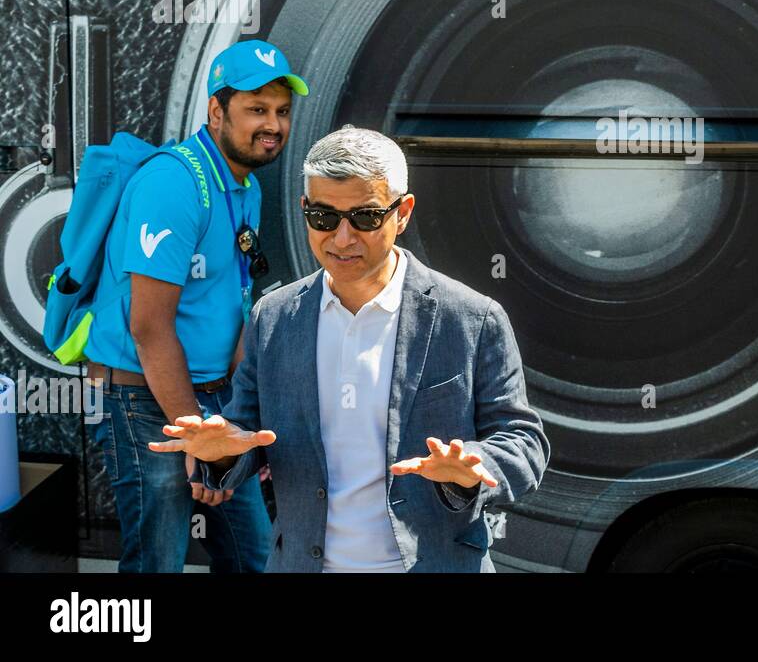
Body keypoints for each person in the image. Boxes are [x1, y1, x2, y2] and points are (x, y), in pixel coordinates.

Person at [149, 125, 550, 572]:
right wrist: (221, 451)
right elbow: (249, 434)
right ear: (304, 211)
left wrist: (472, 465)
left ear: (403, 213)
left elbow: (524, 442)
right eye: (323, 217)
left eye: (365, 217)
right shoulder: (274, 317)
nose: (341, 238)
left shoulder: (472, 318)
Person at [85, 39, 309, 572]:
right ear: (216, 109)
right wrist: (196, 435)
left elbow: (236, 301)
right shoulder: (173, 182)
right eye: (256, 109)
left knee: (256, 558)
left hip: (215, 402)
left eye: (280, 111)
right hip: (143, 404)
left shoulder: (244, 183)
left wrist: (237, 419)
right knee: (156, 563)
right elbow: (149, 327)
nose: (272, 125)